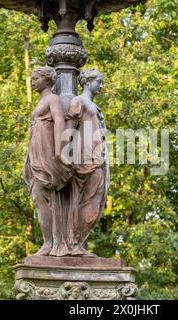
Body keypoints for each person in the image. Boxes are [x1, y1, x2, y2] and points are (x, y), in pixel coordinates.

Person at [23, 66, 72, 256]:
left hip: (46, 150)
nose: (33, 81)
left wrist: (60, 149)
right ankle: (49, 242)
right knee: (38, 195)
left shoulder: (53, 99)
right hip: (36, 150)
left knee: (44, 195)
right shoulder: (42, 101)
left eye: (36, 78)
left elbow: (59, 120)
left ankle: (52, 243)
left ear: (46, 79)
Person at [65, 69, 110, 256]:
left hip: (97, 159)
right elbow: (69, 128)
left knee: (96, 201)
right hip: (85, 159)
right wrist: (64, 153)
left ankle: (78, 242)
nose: (101, 85)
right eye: (99, 81)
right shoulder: (79, 101)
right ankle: (74, 243)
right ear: (88, 82)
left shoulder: (91, 105)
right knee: (84, 201)